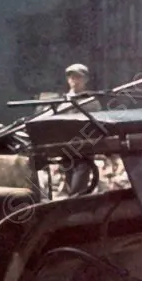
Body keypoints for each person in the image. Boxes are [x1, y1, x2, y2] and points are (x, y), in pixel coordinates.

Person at [57, 63, 102, 197]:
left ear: (85, 80)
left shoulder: (92, 102)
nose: (74, 81)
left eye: (78, 77)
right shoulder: (61, 101)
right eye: (72, 77)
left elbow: (98, 124)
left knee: (78, 188)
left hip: (84, 147)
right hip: (66, 146)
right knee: (70, 180)